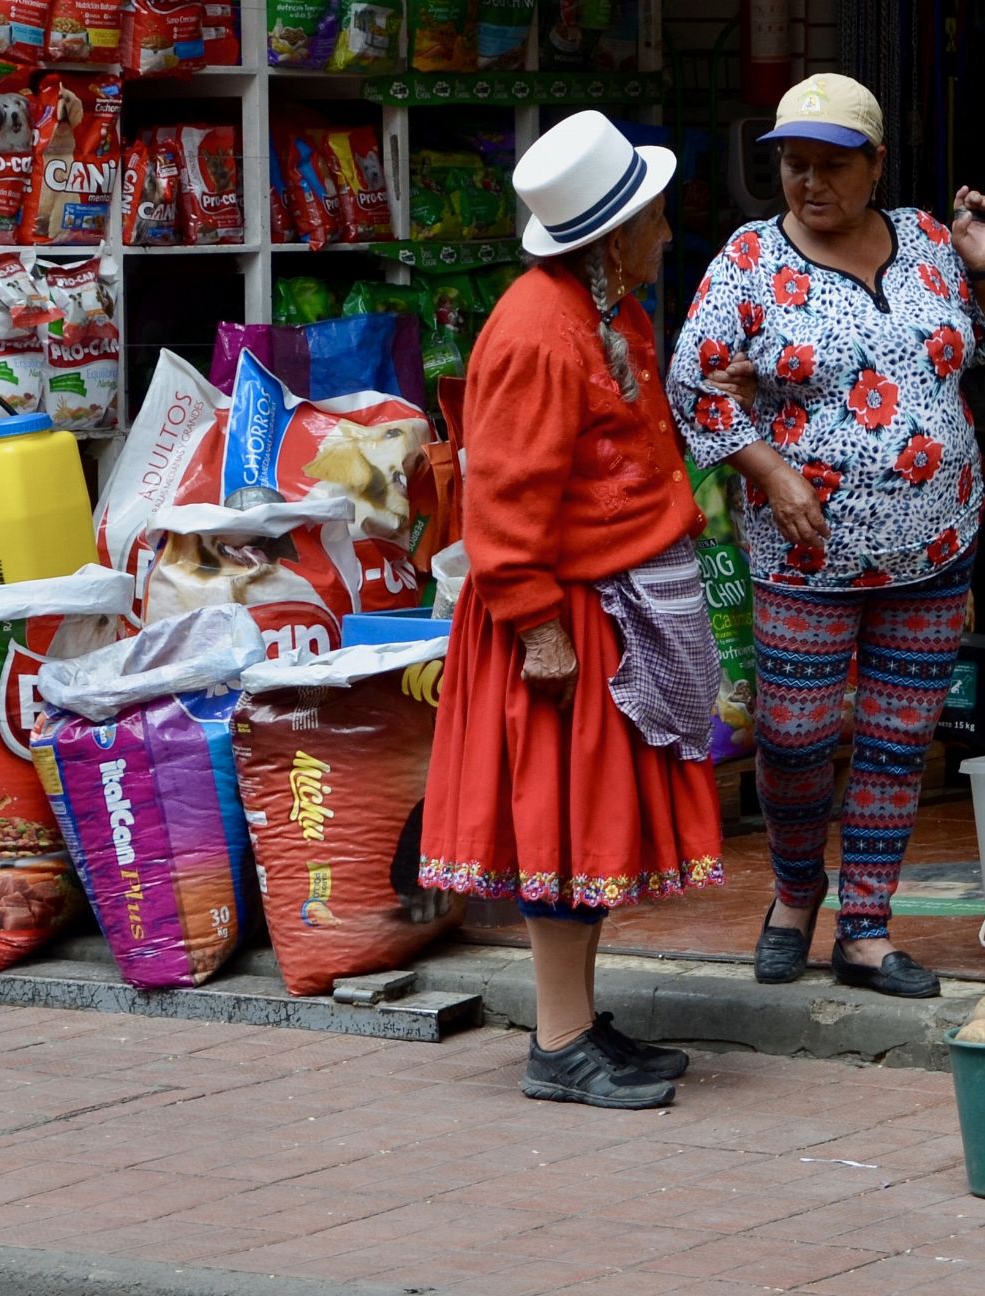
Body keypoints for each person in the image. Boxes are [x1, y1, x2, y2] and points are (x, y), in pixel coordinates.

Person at [666, 73, 985, 999]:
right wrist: (773, 475)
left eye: (830, 165)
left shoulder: (930, 245)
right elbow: (696, 384)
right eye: (793, 166)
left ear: (875, 166)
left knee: (900, 743)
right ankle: (793, 894)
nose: (809, 184)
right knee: (792, 737)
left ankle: (865, 928)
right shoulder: (749, 260)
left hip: (933, 550)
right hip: (805, 554)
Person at [417, 112, 733, 1110]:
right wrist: (541, 629)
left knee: (587, 829)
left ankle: (578, 1026)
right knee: (562, 829)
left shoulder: (604, 313)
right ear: (609, 237)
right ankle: (558, 1044)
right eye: (653, 218)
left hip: (605, 608)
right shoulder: (542, 334)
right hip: (561, 621)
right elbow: (505, 501)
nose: (668, 235)